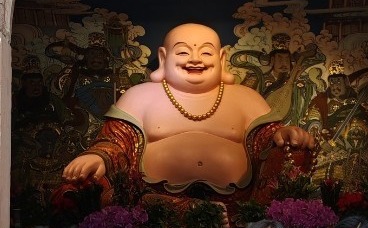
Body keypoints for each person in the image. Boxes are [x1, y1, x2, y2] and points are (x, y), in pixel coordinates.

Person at [62, 23, 314, 195]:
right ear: (164, 58)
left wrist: (283, 135)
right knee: (79, 191)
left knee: (292, 154)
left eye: (206, 53)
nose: (195, 59)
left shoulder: (245, 98)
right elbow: (117, 141)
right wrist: (99, 157)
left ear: (222, 59)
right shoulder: (140, 96)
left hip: (239, 202)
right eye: (183, 52)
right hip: (153, 200)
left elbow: (265, 139)